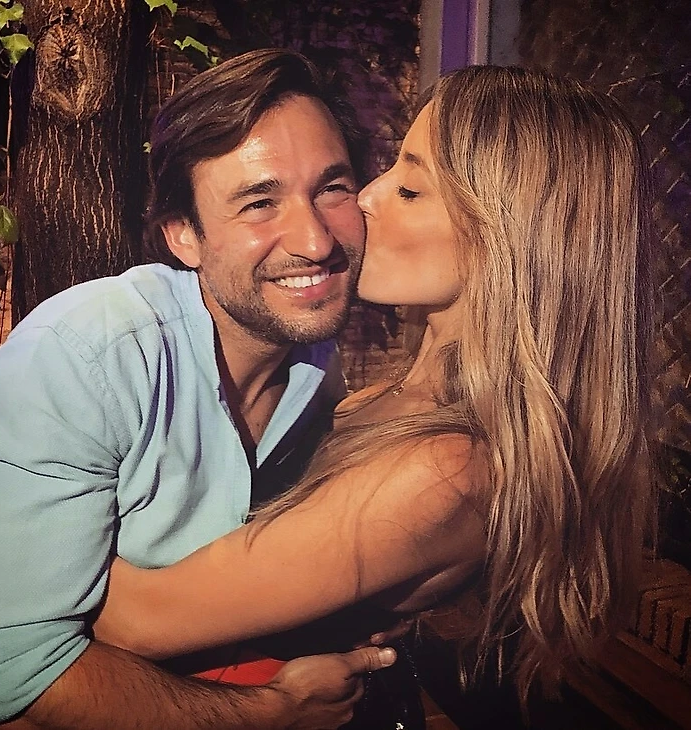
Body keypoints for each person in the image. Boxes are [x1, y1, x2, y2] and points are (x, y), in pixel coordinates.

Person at [94, 65, 655, 710]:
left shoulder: (446, 468)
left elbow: (141, 619)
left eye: (410, 188)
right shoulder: (370, 391)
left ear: (511, 237)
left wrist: (26, 506)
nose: (365, 196)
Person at [0, 49, 399, 729]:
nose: (315, 241)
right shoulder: (88, 355)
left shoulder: (311, 357)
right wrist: (272, 712)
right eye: (259, 203)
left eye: (332, 188)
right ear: (183, 237)